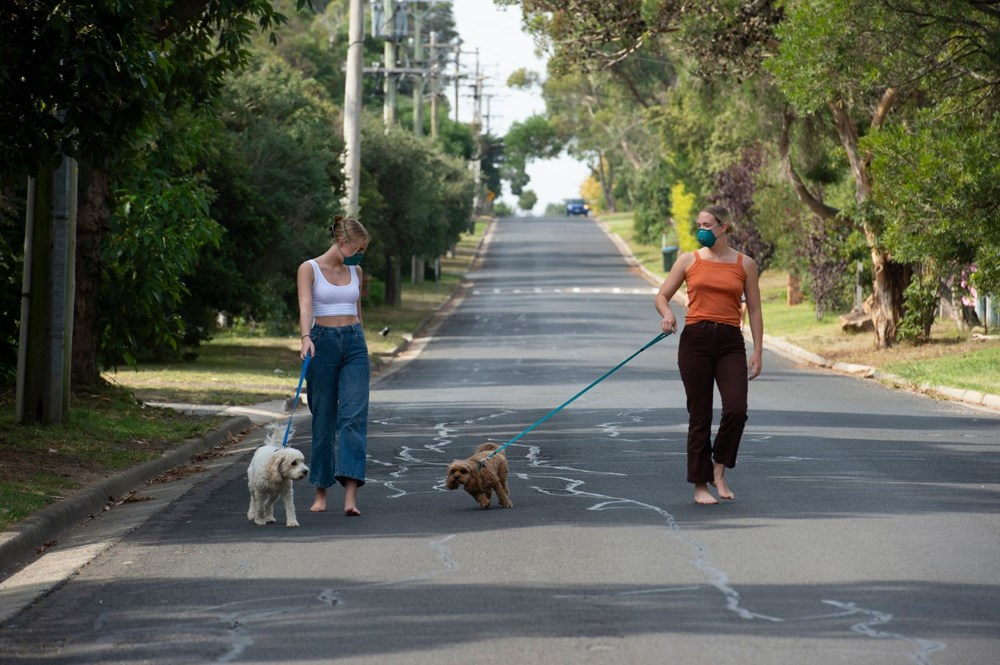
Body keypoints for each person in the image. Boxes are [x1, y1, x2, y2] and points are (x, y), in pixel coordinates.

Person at [654, 205, 763, 505]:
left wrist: (758, 350)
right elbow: (662, 296)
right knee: (699, 415)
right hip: (695, 341)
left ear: (724, 227)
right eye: (698, 223)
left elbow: (754, 309)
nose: (701, 228)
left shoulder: (745, 264)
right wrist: (667, 315)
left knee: (736, 409)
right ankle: (700, 485)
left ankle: (719, 468)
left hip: (730, 341)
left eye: (707, 224)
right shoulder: (689, 260)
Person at [297, 216, 371, 516]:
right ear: (342, 242)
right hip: (321, 342)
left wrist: (363, 342)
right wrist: (305, 337)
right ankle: (321, 493)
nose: (361, 253)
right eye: (359, 247)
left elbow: (357, 310)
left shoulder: (357, 270)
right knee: (323, 419)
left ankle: (350, 497)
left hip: (354, 343)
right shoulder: (309, 268)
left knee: (353, 418)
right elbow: (305, 305)